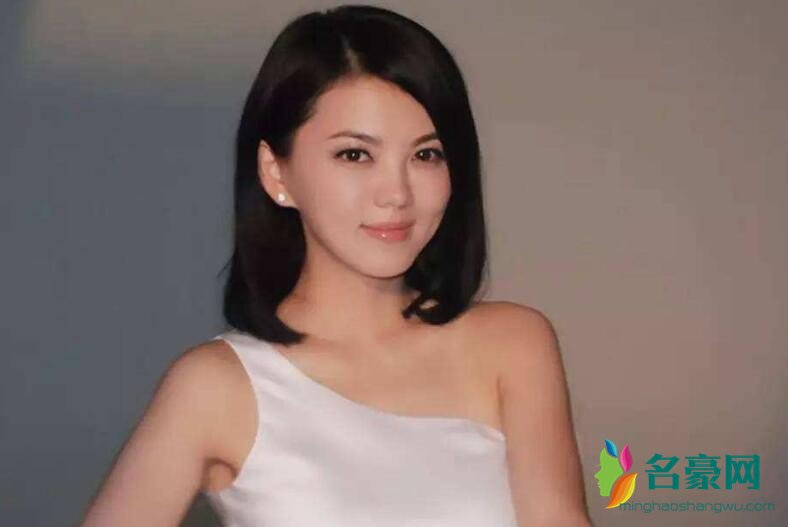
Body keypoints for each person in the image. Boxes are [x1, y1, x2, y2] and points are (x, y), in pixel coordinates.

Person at [80, 5, 592, 526]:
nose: (396, 194)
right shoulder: (216, 386)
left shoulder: (512, 345)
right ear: (276, 172)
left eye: (426, 155)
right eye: (354, 155)